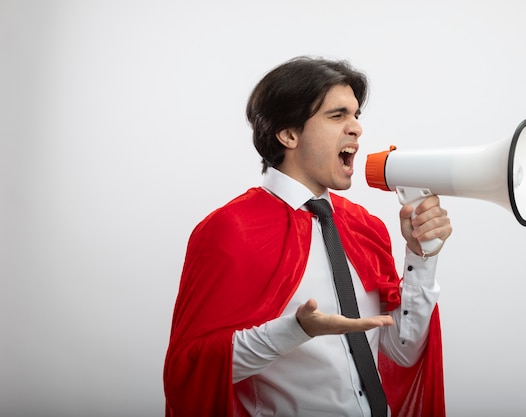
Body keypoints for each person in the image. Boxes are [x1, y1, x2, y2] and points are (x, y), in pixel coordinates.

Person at [163, 56, 452, 417]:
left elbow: (401, 351)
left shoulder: (365, 227)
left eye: (356, 116)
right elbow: (192, 371)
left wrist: (421, 255)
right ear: (289, 134)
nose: (356, 129)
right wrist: (296, 330)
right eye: (337, 116)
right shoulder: (229, 230)